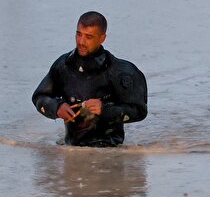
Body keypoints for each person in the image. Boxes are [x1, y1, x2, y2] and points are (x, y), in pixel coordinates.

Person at [32, 11, 148, 147]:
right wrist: (56, 107)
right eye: (79, 34)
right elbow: (40, 96)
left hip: (111, 152)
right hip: (71, 150)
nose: (81, 41)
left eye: (88, 37)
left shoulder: (121, 71)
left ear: (102, 38)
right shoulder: (63, 65)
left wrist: (104, 110)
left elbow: (139, 111)